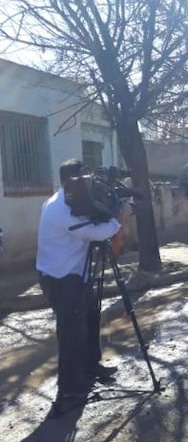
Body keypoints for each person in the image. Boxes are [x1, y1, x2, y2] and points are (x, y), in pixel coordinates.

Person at [36, 159, 121, 415]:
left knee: (91, 317)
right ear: (71, 181)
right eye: (84, 178)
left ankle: (91, 366)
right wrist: (118, 221)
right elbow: (96, 232)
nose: (90, 182)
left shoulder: (73, 201)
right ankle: (70, 387)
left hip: (75, 274)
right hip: (61, 278)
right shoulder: (60, 208)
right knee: (72, 331)